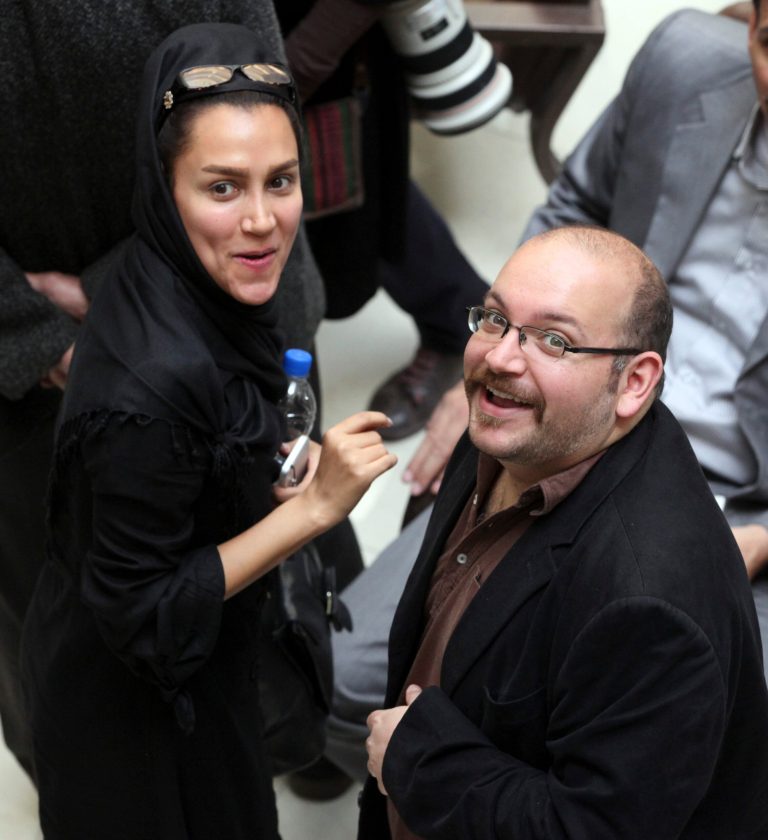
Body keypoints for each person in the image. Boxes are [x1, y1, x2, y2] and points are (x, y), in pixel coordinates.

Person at [20, 23, 397, 838]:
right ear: (164, 187)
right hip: (134, 732)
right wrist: (313, 511)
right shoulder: (152, 384)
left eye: (282, 180)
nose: (263, 221)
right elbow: (141, 613)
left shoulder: (187, 282)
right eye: (222, 188)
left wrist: (264, 483)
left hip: (194, 684)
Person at [359, 226, 768, 840]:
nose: (500, 357)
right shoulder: (514, 425)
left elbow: (592, 827)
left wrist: (418, 761)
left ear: (635, 382)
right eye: (494, 318)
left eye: (555, 341)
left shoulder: (651, 605)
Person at [278, 0, 490, 441]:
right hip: (267, 54)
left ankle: (457, 326)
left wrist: (296, 65)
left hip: (325, 50)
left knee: (363, 199)